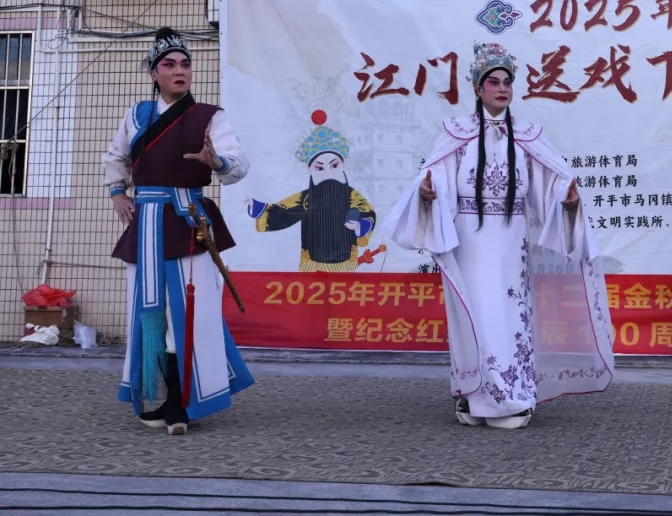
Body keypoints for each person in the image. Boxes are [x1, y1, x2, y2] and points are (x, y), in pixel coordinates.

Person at [382, 41, 613, 429]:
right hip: (469, 239)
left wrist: (567, 199)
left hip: (510, 239)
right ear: (478, 88)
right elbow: (435, 177)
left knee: (508, 314)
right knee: (474, 313)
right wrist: (428, 194)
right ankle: (473, 395)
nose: (502, 88)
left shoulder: (526, 136)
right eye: (494, 82)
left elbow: (548, 185)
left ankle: (513, 397)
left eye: (507, 82)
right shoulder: (456, 134)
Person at [103, 29, 254, 435]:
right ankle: (159, 395)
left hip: (189, 221)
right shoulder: (137, 115)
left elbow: (238, 165)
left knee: (190, 313)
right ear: (154, 73)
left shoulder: (209, 116)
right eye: (169, 64)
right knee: (148, 311)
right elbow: (116, 157)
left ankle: (182, 402)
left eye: (185, 64)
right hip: (146, 222)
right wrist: (118, 193)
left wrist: (216, 161)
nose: (179, 70)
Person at [245, 111, 377, 271]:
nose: (328, 172)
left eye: (334, 165)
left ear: (342, 165)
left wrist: (359, 226)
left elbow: (366, 211)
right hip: (312, 263)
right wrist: (258, 208)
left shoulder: (352, 196)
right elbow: (283, 212)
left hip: (345, 261)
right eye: (319, 168)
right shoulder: (306, 198)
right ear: (310, 169)